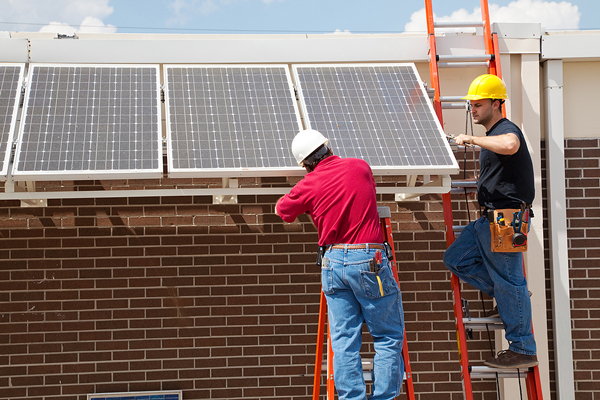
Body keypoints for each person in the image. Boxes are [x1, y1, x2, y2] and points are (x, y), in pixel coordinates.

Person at [275, 129, 405, 400]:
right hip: (368, 259)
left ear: (305, 164)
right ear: (328, 147)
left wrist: (309, 192)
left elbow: (282, 210)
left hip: (332, 262)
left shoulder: (308, 184)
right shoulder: (360, 167)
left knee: (344, 342)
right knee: (387, 337)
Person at [443, 74, 538, 369]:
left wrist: (470, 138)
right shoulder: (492, 135)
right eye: (471, 104)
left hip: (507, 219)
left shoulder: (506, 130)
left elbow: (511, 145)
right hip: (489, 220)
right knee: (455, 259)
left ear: (497, 104)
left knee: (510, 280)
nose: (473, 109)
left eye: (478, 104)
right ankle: (511, 297)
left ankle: (522, 348)